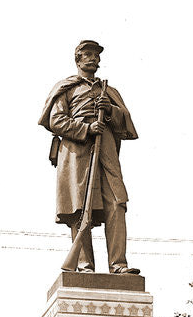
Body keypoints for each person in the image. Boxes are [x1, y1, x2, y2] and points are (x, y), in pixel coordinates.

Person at [39, 40, 140, 274]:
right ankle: (85, 265)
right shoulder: (67, 88)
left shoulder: (109, 91)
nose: (93, 58)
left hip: (105, 149)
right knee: (79, 207)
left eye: (96, 55)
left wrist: (111, 111)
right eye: (88, 54)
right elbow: (55, 120)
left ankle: (118, 264)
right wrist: (85, 129)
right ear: (78, 59)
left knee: (116, 202)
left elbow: (126, 125)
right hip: (77, 151)